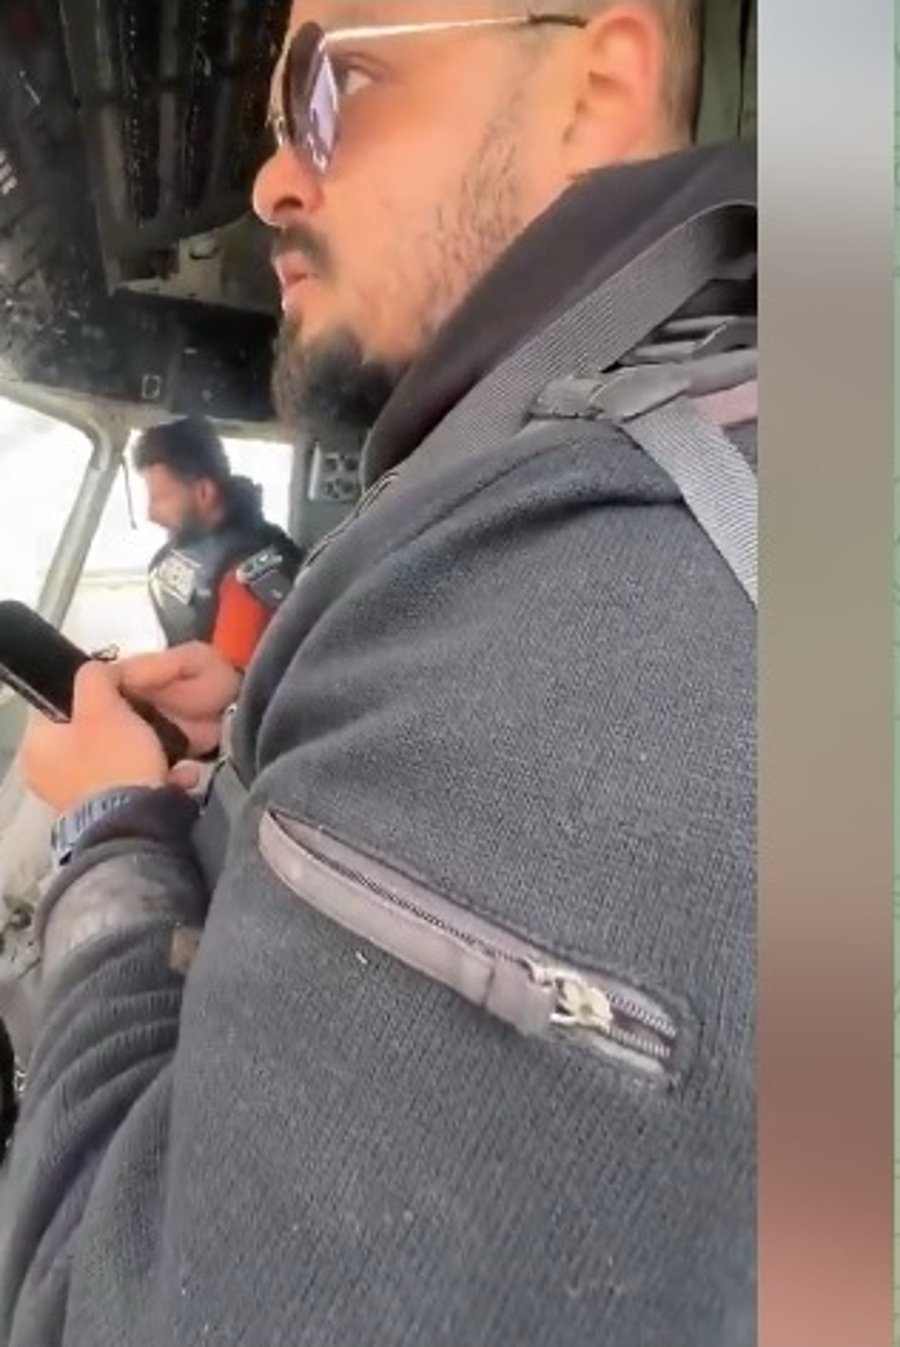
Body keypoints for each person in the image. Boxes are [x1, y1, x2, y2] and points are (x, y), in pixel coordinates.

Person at [0, 4, 757, 1345]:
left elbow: (93, 1313)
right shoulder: (556, 516)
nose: (269, 181)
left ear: (597, 84)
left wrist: (107, 833)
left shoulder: (581, 588)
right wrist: (244, 757)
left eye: (330, 84)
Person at [135, 416, 304, 670]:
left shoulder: (249, 575)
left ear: (203, 492)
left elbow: (230, 688)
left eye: (161, 497)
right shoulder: (190, 547)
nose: (151, 514)